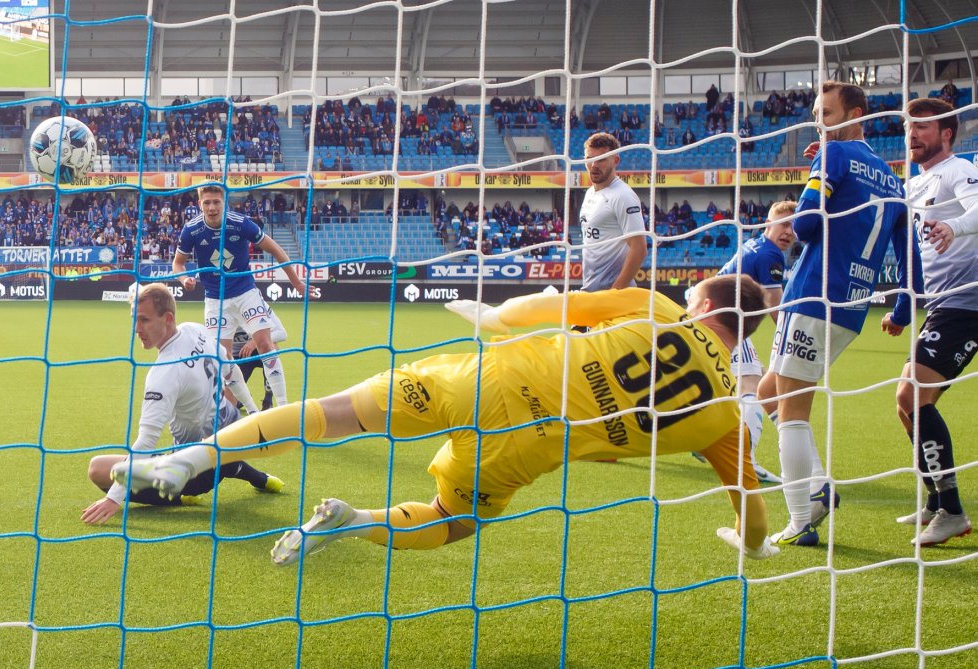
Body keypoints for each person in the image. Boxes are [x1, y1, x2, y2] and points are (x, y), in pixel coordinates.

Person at [112, 275, 780, 562]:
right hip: (530, 446)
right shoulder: (727, 420)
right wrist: (747, 541)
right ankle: (356, 522)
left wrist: (490, 317)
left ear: (703, 301)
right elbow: (753, 508)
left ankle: (192, 456)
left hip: (492, 376)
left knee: (337, 412)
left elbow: (543, 311)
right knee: (453, 519)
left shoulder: (661, 308)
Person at [756, 81, 923, 547]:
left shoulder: (830, 157)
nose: (818, 122)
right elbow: (908, 254)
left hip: (812, 294)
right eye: (816, 114)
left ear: (855, 113)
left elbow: (806, 224)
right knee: (770, 392)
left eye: (826, 114)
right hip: (852, 306)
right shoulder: (893, 178)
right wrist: (905, 309)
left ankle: (799, 518)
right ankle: (818, 485)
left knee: (791, 411)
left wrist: (818, 171)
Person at [81, 284, 283, 525]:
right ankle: (256, 477)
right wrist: (252, 412)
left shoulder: (164, 373)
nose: (136, 329)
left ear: (167, 318)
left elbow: (146, 442)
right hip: (233, 432)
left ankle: (181, 498)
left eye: (144, 320)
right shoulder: (195, 330)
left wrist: (114, 498)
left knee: (98, 469)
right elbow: (232, 370)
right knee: (220, 452)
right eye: (134, 320)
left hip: (195, 470)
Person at [881, 97, 976, 546]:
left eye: (924, 127)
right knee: (906, 405)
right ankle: (936, 502)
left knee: (911, 393)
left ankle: (953, 510)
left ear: (947, 134)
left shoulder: (959, 170)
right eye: (909, 128)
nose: (913, 134)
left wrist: (954, 228)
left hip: (968, 301)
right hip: (939, 304)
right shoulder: (913, 185)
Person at [173, 185, 311, 409]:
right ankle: (253, 412)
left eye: (216, 202)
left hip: (246, 293)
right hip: (215, 300)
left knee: (266, 344)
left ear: (223, 202)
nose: (211, 207)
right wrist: (183, 279)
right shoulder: (191, 230)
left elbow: (276, 249)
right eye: (206, 203)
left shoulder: (240, 223)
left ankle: (283, 407)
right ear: (200, 205)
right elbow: (178, 263)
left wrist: (296, 282)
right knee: (223, 359)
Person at [700, 200, 797, 484]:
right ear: (768, 224)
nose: (788, 232)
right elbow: (774, 306)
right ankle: (747, 462)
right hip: (723, 319)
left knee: (726, 383)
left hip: (712, 314)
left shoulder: (756, 245)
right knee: (751, 382)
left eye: (794, 225)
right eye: (783, 224)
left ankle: (706, 440)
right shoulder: (770, 255)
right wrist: (790, 338)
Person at [578, 132, 647, 292]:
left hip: (612, 295)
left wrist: (615, 292)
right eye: (589, 159)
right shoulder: (589, 193)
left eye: (601, 159)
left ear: (615, 161)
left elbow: (640, 248)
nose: (594, 165)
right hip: (591, 291)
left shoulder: (623, 195)